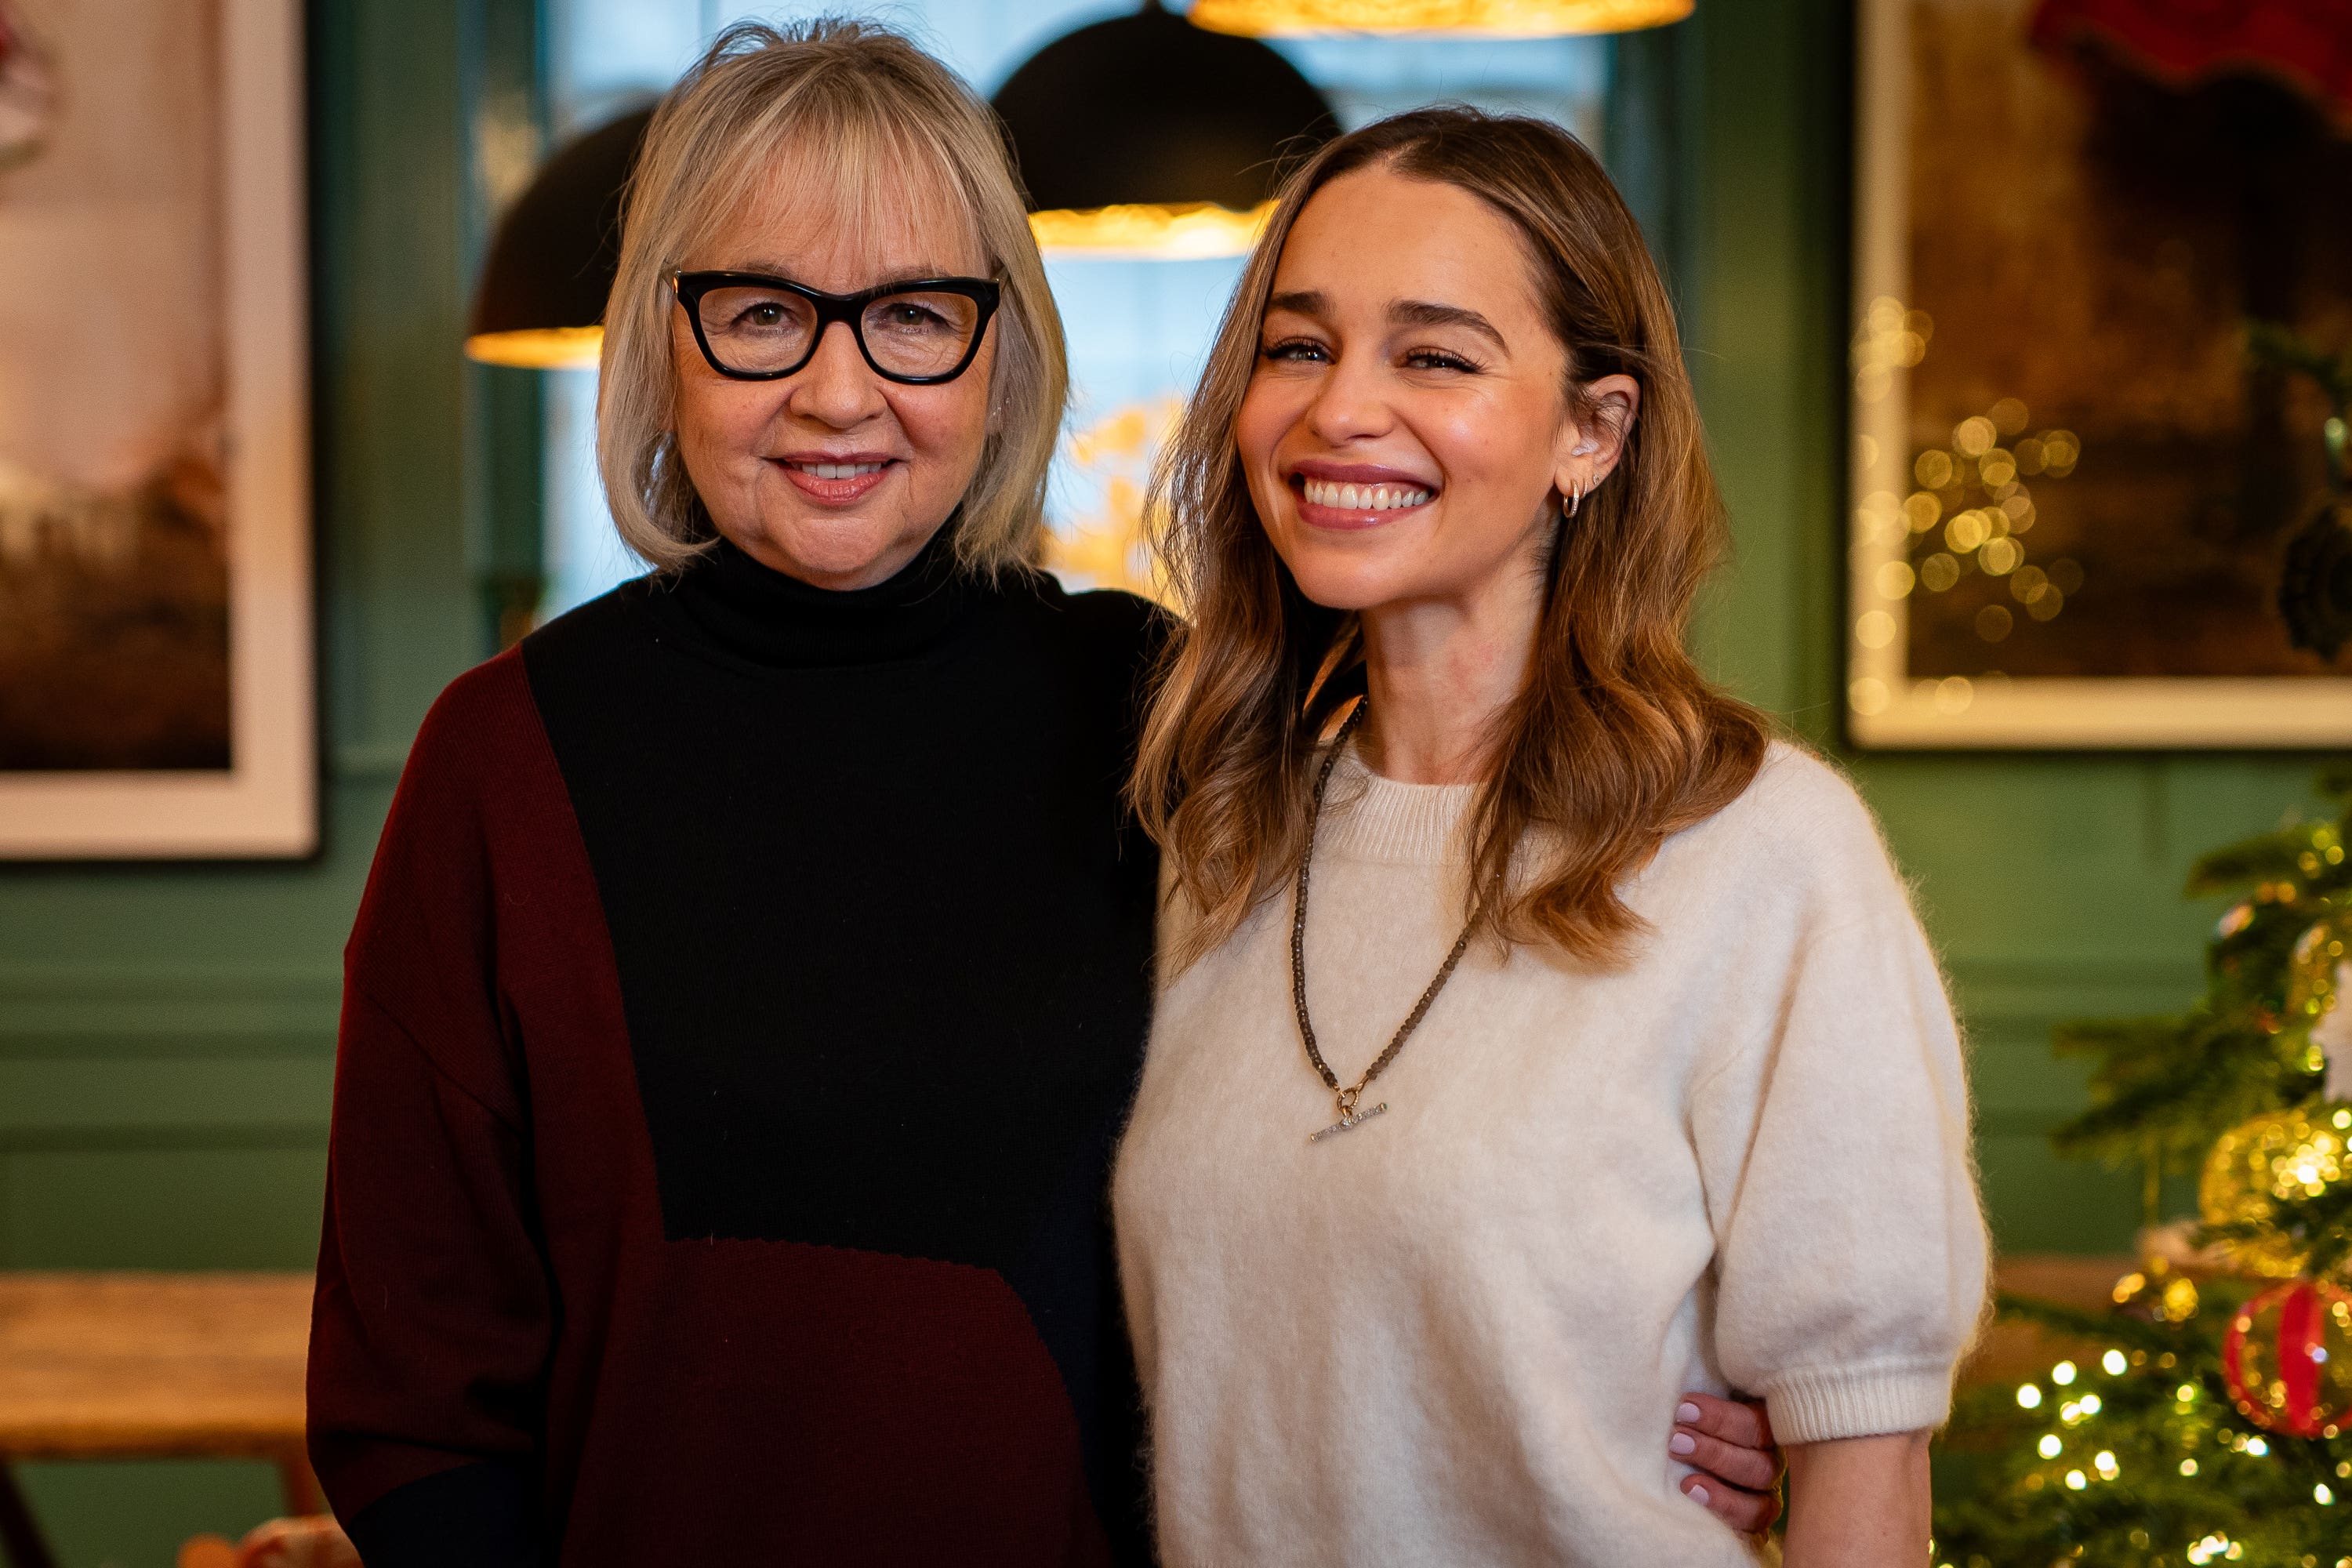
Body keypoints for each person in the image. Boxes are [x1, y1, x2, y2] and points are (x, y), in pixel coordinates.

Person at [307, 22, 1783, 1565]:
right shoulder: (508, 755)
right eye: (759, 312)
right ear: (660, 338)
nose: (836, 389)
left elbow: (1419, 1171)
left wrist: (1639, 1379)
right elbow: (414, 1405)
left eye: (912, 317)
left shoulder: (1169, 714)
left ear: (1003, 346)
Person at [1116, 106, 1988, 1567]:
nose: (1340, 410)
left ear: (1593, 429)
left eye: (1436, 355)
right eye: (1299, 345)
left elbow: (1861, 1475)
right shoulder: (1215, 839)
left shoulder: (1760, 855)